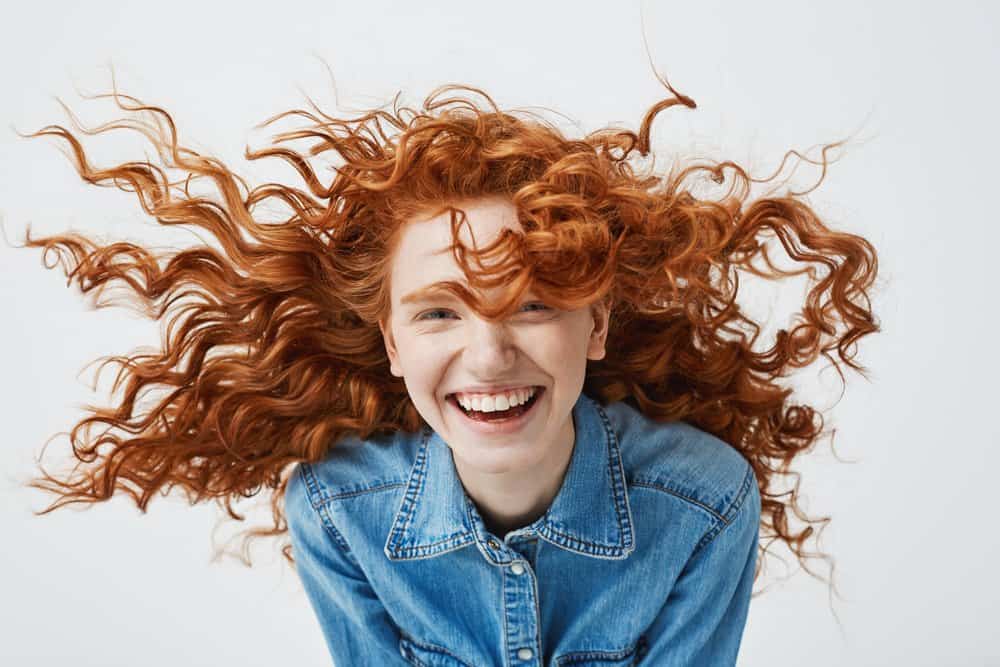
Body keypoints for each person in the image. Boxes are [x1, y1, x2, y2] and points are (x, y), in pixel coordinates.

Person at [16, 73, 880, 665]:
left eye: (534, 303)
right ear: (393, 343)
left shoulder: (705, 500)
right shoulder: (335, 509)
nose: (490, 353)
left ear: (597, 324)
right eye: (438, 311)